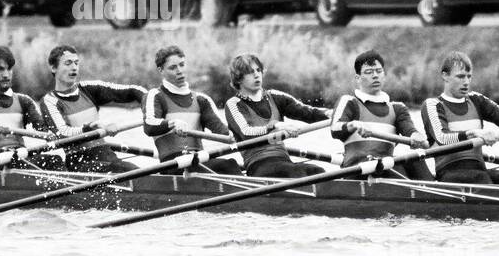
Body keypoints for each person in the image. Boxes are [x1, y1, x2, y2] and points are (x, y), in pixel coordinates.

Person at [421, 51, 499, 184]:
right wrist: (474, 133)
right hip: (449, 173)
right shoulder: (433, 105)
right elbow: (442, 137)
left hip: (478, 169)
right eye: (460, 77)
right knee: (482, 179)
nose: (466, 82)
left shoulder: (476, 99)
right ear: (445, 76)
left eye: (469, 76)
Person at [331, 50, 435, 181]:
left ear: (384, 75)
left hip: (384, 169)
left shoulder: (398, 108)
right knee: (395, 166)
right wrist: (354, 124)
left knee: (415, 160)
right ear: (357, 78)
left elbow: (410, 131)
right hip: (357, 171)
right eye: (369, 72)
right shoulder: (349, 102)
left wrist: (416, 137)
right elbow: (335, 129)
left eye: (379, 71)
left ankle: (438, 195)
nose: (375, 76)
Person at [40, 44, 146, 173]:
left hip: (107, 156)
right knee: (129, 171)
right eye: (68, 63)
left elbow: (133, 91)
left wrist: (150, 105)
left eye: (76, 63)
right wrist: (89, 127)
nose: (74, 68)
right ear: (53, 67)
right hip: (80, 164)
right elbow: (62, 134)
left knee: (138, 172)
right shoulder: (50, 101)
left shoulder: (89, 89)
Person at [224, 54, 330, 178]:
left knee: (317, 171)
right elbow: (246, 132)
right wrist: (275, 126)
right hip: (258, 165)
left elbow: (308, 112)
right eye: (250, 72)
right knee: (295, 172)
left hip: (283, 159)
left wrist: (333, 113)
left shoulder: (275, 96)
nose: (257, 75)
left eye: (258, 70)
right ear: (238, 79)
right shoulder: (233, 104)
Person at [144, 44, 242, 175]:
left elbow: (222, 131)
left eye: (182, 65)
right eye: (173, 67)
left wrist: (239, 134)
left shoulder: (202, 100)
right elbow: (149, 125)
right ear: (161, 70)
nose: (179, 71)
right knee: (227, 166)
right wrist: (173, 123)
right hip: (173, 165)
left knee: (230, 164)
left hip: (198, 160)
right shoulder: (155, 95)